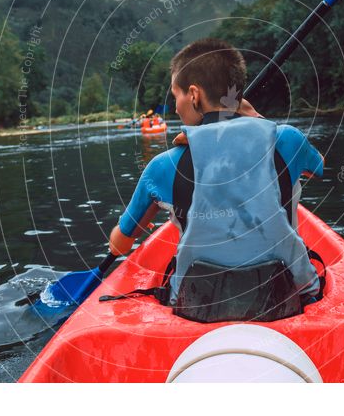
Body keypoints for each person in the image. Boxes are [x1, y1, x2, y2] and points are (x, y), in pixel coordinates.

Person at [108, 38, 325, 314]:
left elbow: (120, 243)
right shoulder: (287, 139)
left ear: (195, 95)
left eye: (177, 95)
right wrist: (254, 119)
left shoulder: (162, 166)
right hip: (286, 301)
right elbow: (317, 166)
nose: (175, 107)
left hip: (196, 309)